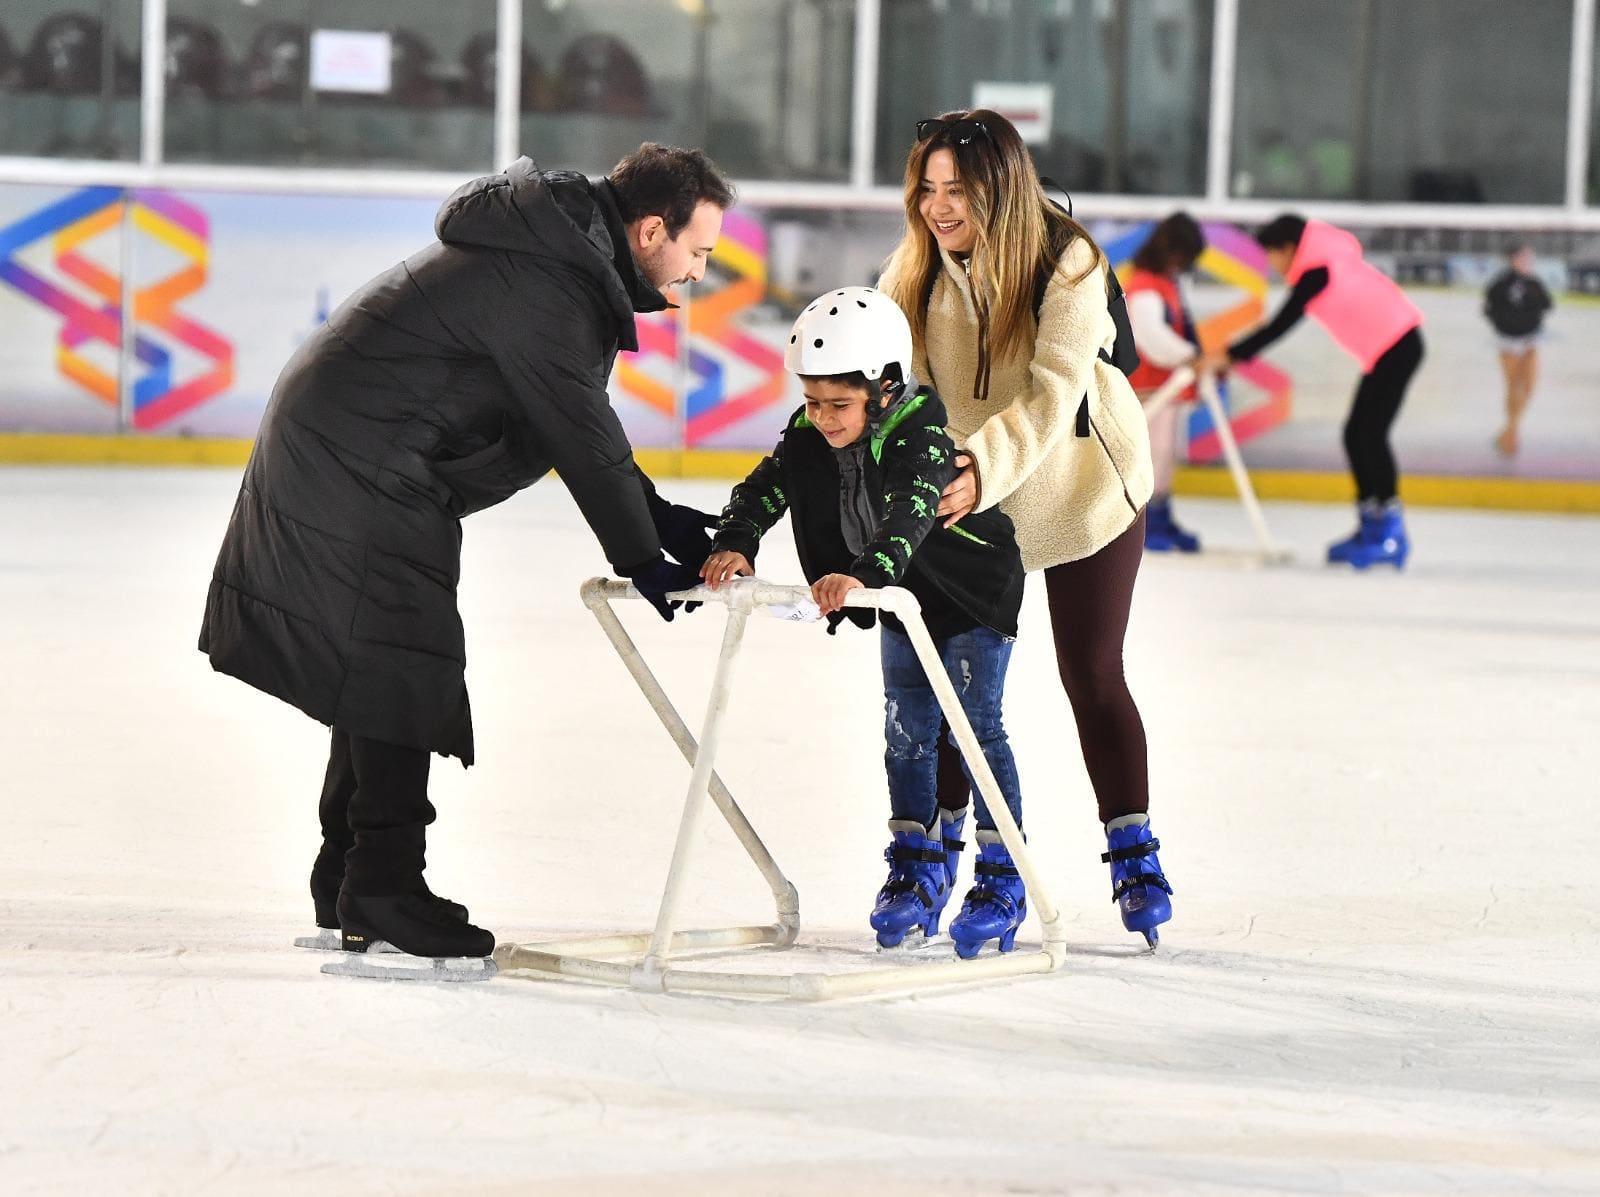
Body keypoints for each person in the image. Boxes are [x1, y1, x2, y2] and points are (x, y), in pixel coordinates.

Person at [199, 145, 735, 974]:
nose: (700, 271)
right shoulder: (549, 281)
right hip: (364, 458)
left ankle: (348, 873)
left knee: (379, 657)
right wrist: (645, 556)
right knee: (404, 661)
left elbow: (570, 425)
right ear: (651, 228)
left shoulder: (555, 257)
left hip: (353, 444)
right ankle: (382, 886)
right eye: (698, 251)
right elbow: (582, 436)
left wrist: (657, 518)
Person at [878, 110, 1173, 948]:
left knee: (1091, 668)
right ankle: (932, 850)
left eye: (957, 191)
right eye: (927, 190)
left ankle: (1134, 845)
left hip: (1082, 490)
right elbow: (906, 398)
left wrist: (974, 466)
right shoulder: (916, 277)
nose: (939, 208)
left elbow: (1050, 393)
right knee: (952, 689)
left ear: (1000, 190)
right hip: (977, 504)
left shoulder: (1067, 261)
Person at [699, 287, 1030, 959]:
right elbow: (767, 486)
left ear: (884, 387)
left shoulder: (921, 431)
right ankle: (915, 865)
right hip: (897, 600)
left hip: (969, 594)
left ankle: (1003, 877)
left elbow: (911, 510)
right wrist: (737, 538)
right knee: (906, 732)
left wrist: (867, 575)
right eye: (812, 401)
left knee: (974, 729)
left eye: (837, 404)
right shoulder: (807, 432)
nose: (821, 418)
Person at [1203, 214, 1423, 570]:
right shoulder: (1326, 263)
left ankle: (1389, 533)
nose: (1272, 265)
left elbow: (1280, 325)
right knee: (1358, 435)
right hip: (1390, 348)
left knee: (1369, 435)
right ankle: (1372, 526)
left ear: (1288, 249)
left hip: (1398, 346)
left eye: (1272, 256)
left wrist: (1227, 355)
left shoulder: (1319, 270)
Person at [1124, 213, 1207, 552]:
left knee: (1164, 453)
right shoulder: (1146, 286)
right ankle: (1147, 519)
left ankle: (1160, 513)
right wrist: (1190, 355)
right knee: (1153, 454)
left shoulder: (1164, 284)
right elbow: (1151, 338)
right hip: (1147, 387)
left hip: (1164, 386)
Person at [1484, 244, 1552, 458]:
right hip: (1508, 340)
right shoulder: (1500, 283)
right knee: (1514, 386)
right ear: (1513, 258)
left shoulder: (1534, 282)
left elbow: (1548, 304)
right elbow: (1490, 308)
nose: (1527, 261)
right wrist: (1505, 326)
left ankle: (1508, 431)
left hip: (1530, 338)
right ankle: (1511, 436)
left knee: (1530, 386)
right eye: (1524, 257)